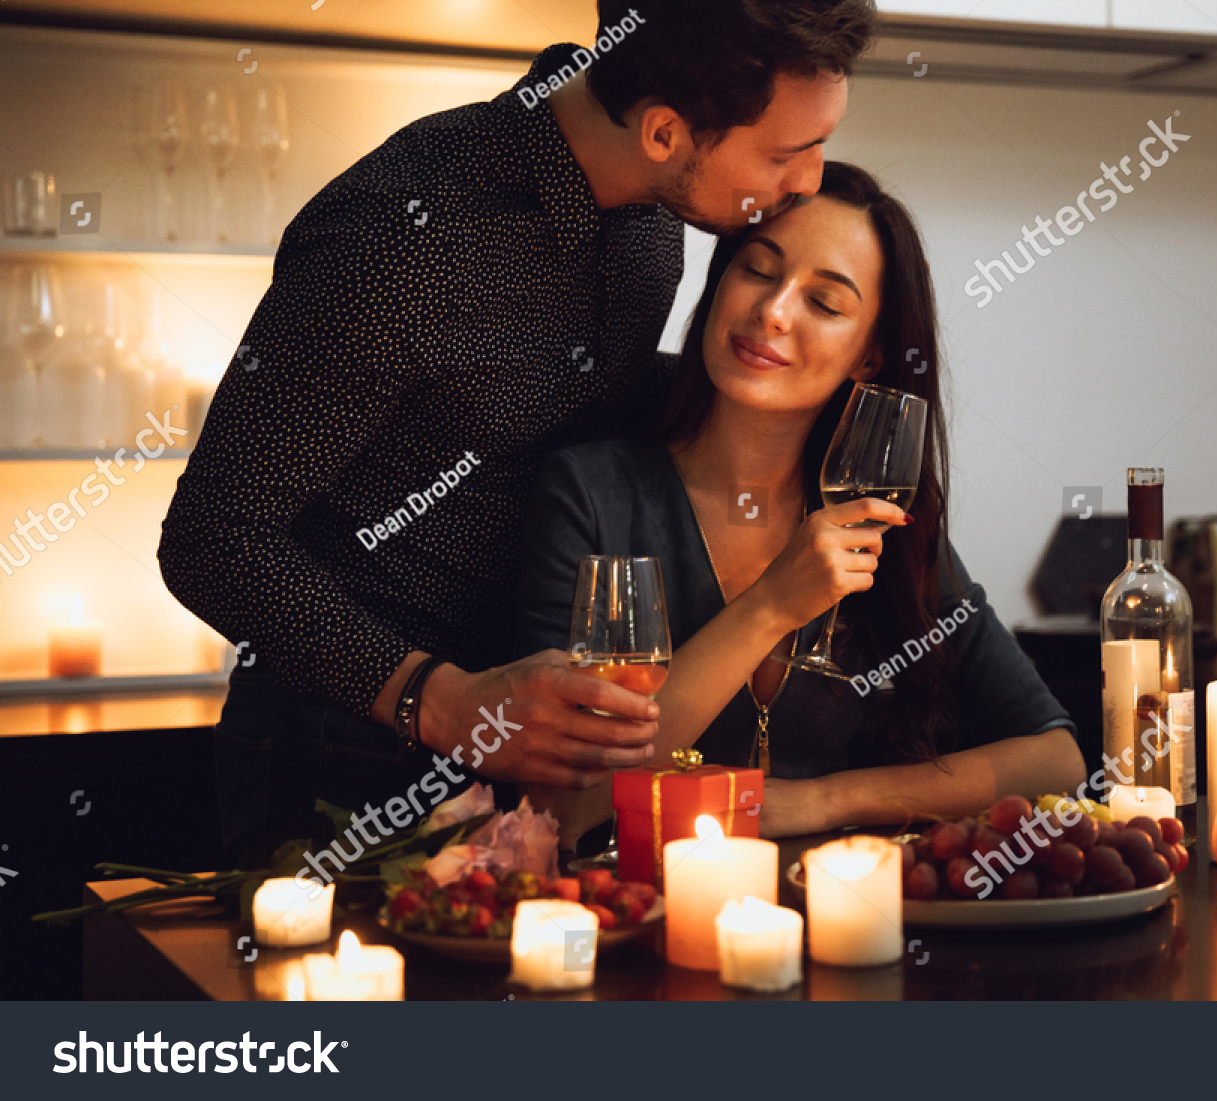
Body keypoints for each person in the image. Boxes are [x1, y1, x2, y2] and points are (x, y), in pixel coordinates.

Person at [157, 0, 878, 867]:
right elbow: (209, 538)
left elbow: (572, 399)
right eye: (785, 152)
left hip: (539, 760)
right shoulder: (403, 240)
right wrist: (444, 699)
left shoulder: (655, 213)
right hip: (346, 753)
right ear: (663, 133)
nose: (808, 179)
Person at [512, 162, 1087, 844]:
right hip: (633, 919)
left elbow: (1057, 760)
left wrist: (823, 800)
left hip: (836, 923)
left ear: (868, 358)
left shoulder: (883, 527)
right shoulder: (589, 493)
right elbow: (563, 805)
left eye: (825, 302)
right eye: (757, 269)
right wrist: (770, 606)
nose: (773, 311)